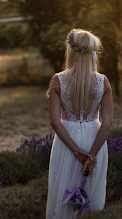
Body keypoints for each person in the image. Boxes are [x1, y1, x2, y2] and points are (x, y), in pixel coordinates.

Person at [45, 28, 113, 219]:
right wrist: (91, 156)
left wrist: (76, 151)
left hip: (67, 139)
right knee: (92, 196)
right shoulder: (103, 82)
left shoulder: (58, 80)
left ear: (71, 51)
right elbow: (107, 123)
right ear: (92, 53)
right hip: (95, 138)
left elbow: (55, 122)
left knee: (63, 193)